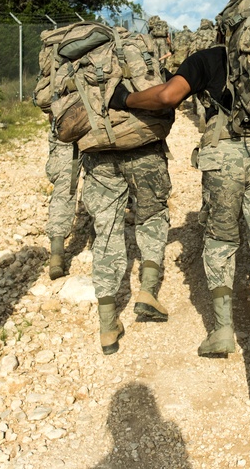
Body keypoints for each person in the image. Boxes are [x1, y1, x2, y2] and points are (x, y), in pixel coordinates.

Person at [111, 43, 250, 406]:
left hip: (221, 155)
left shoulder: (213, 56)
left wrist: (125, 99)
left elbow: (169, 95)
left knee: (219, 239)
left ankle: (222, 331)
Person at [80, 136, 171, 355]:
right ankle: (148, 292)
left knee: (106, 233)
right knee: (152, 217)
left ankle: (108, 326)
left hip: (99, 154)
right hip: (145, 150)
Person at [45, 128, 79, 280]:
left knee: (64, 189)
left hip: (68, 125)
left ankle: (57, 253)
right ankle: (100, 242)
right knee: (103, 185)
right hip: (101, 126)